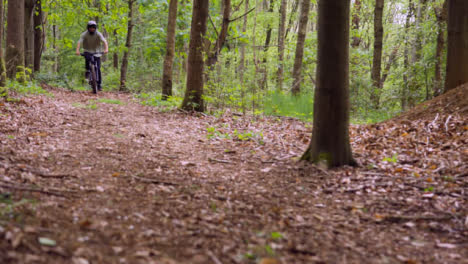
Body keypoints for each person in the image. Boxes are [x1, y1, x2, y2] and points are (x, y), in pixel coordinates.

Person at [76, 21, 108, 91]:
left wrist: (106, 49)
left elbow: (104, 41)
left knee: (98, 68)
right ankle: (87, 71)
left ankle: (99, 85)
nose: (92, 29)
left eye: (93, 28)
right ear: (88, 28)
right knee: (87, 63)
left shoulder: (98, 34)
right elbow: (79, 42)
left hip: (97, 52)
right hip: (87, 51)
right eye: (90, 28)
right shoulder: (84, 34)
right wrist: (77, 50)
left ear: (95, 28)